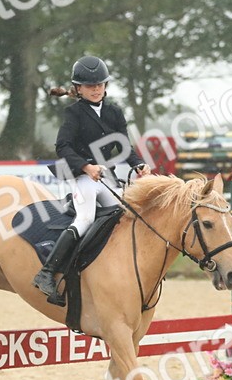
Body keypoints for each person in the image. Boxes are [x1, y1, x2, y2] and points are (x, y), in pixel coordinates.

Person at [32, 56, 150, 305]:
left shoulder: (114, 112)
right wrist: (86, 167)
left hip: (105, 175)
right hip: (81, 175)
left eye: (100, 84)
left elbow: (123, 146)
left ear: (105, 85)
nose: (96, 89)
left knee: (123, 213)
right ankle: (46, 274)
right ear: (78, 89)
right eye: (89, 86)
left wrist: (138, 164)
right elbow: (62, 146)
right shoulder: (73, 113)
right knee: (85, 218)